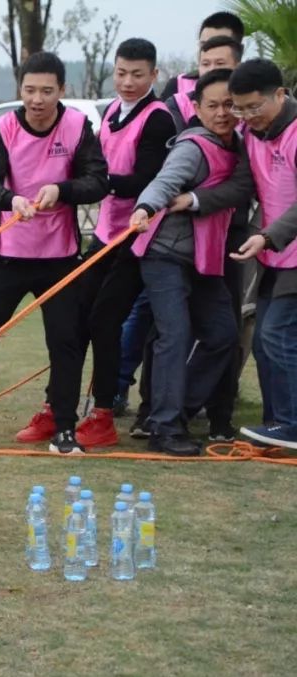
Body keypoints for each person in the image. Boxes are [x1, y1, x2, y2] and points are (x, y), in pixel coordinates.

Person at [0, 52, 107, 453]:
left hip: (60, 259)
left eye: (47, 90)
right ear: (19, 89)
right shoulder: (3, 127)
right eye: (30, 90)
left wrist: (62, 191)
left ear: (63, 90)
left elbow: (98, 181)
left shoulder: (79, 127)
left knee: (66, 343)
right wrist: (11, 201)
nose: (38, 99)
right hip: (7, 257)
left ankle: (64, 428)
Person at [129, 69, 249, 457]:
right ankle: (165, 427)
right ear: (195, 107)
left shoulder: (240, 145)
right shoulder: (194, 145)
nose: (222, 113)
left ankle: (174, 413)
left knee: (222, 335)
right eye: (212, 105)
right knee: (175, 335)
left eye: (229, 105)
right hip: (165, 254)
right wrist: (145, 207)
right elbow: (165, 181)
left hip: (203, 258)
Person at [71, 38, 175, 449]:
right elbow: (97, 163)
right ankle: (61, 404)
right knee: (77, 314)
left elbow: (147, 182)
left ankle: (104, 411)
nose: (128, 82)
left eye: (137, 74)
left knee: (105, 320)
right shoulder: (112, 110)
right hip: (104, 232)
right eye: (121, 73)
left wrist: (97, 183)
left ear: (154, 75)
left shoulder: (158, 119)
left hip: (138, 236)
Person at [228, 59, 297, 449]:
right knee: (262, 342)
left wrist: (270, 236)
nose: (248, 116)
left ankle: (292, 423)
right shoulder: (250, 134)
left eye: (255, 107)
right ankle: (277, 424)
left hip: (285, 248)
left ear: (280, 95)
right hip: (273, 254)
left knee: (278, 334)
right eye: (241, 108)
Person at [160, 11, 245, 101]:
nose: (210, 50)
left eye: (220, 43)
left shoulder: (253, 87)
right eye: (204, 45)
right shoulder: (178, 85)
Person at [166, 35, 244, 132]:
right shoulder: (179, 104)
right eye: (205, 64)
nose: (211, 69)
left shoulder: (252, 101)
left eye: (220, 63)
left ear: (238, 67)